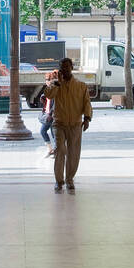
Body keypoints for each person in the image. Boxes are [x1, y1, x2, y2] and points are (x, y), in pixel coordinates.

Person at [44, 58, 91, 192]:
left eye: (67, 66)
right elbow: (48, 95)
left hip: (75, 124)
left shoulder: (80, 86)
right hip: (59, 123)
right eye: (62, 67)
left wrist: (87, 118)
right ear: (59, 69)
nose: (65, 69)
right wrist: (57, 83)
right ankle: (59, 181)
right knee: (60, 150)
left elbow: (86, 102)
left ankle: (69, 179)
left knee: (73, 153)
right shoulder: (56, 85)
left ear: (71, 67)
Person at [36, 70, 57, 156]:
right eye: (46, 79)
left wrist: (51, 114)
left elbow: (56, 105)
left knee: (54, 134)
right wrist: (43, 98)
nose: (47, 81)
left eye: (49, 79)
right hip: (48, 115)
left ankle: (56, 152)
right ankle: (51, 149)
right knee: (43, 131)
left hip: (54, 116)